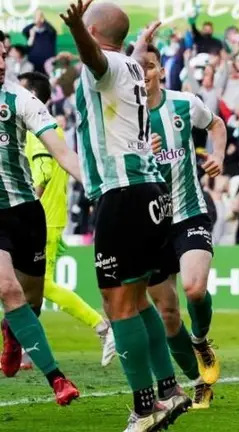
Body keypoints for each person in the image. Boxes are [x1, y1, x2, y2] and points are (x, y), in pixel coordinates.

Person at [61, 2, 190, 429]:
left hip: (124, 195)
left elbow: (93, 57)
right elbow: (121, 59)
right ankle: (168, 391)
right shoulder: (133, 69)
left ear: (94, 29)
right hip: (151, 193)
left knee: (118, 308)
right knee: (137, 300)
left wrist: (78, 28)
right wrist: (143, 43)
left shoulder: (106, 65)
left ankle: (144, 407)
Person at [131, 42, 225, 410]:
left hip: (188, 212)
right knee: (168, 316)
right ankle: (197, 380)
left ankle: (201, 339)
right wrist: (139, 153)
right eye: (137, 69)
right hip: (149, 223)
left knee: (195, 289)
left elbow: (215, 124)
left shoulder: (184, 103)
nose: (144, 75)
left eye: (150, 67)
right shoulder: (123, 114)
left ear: (160, 71)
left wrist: (216, 155)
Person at [0, 30, 81, 405]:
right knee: (9, 290)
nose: (3, 64)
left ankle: (13, 331)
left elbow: (61, 152)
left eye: (4, 55)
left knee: (30, 302)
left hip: (26, 213)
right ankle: (57, 379)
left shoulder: (20, 99)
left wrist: (96, 184)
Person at [17, 72, 116, 370]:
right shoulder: (52, 129)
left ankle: (101, 326)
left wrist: (24, 209)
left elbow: (43, 174)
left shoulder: (35, 129)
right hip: (50, 217)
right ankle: (24, 350)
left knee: (40, 286)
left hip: (40, 220)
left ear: (32, 96)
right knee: (24, 288)